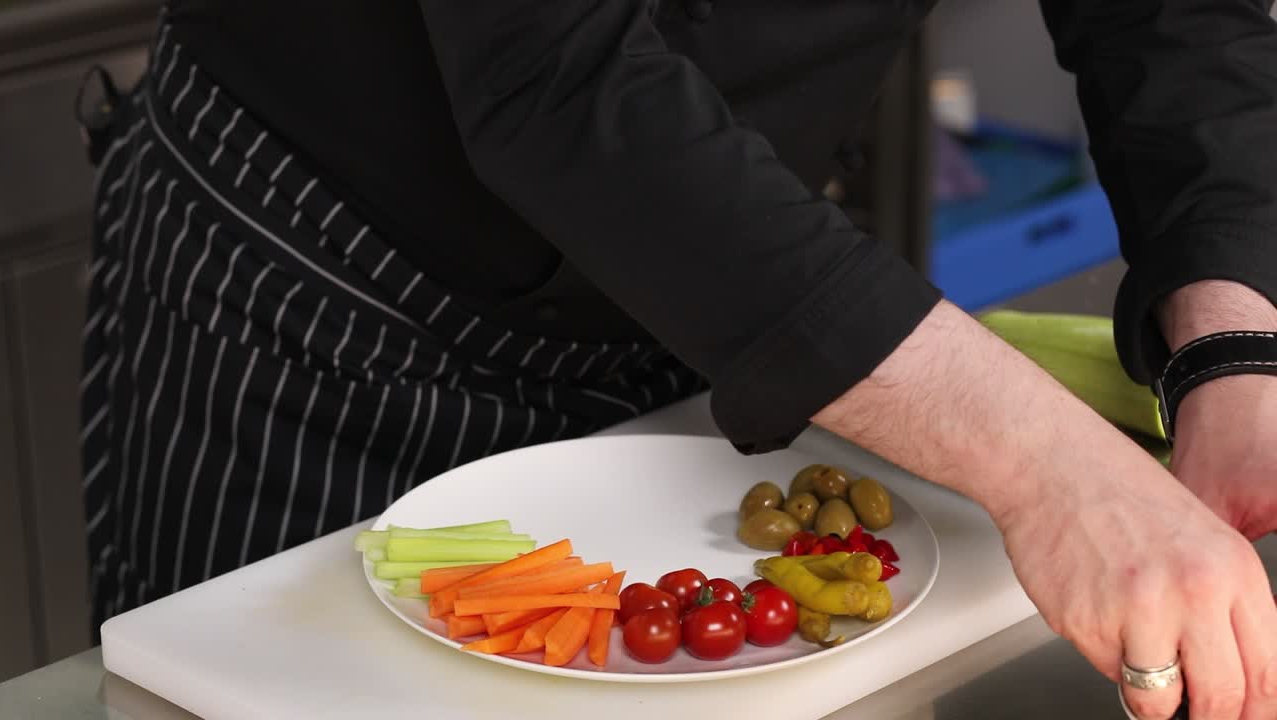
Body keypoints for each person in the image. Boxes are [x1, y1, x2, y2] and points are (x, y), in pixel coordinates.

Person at [78, 2, 1277, 718]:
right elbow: (559, 72)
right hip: (328, 302)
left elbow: (1170, 16)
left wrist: (1230, 350)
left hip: (711, 296)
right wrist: (1048, 470)